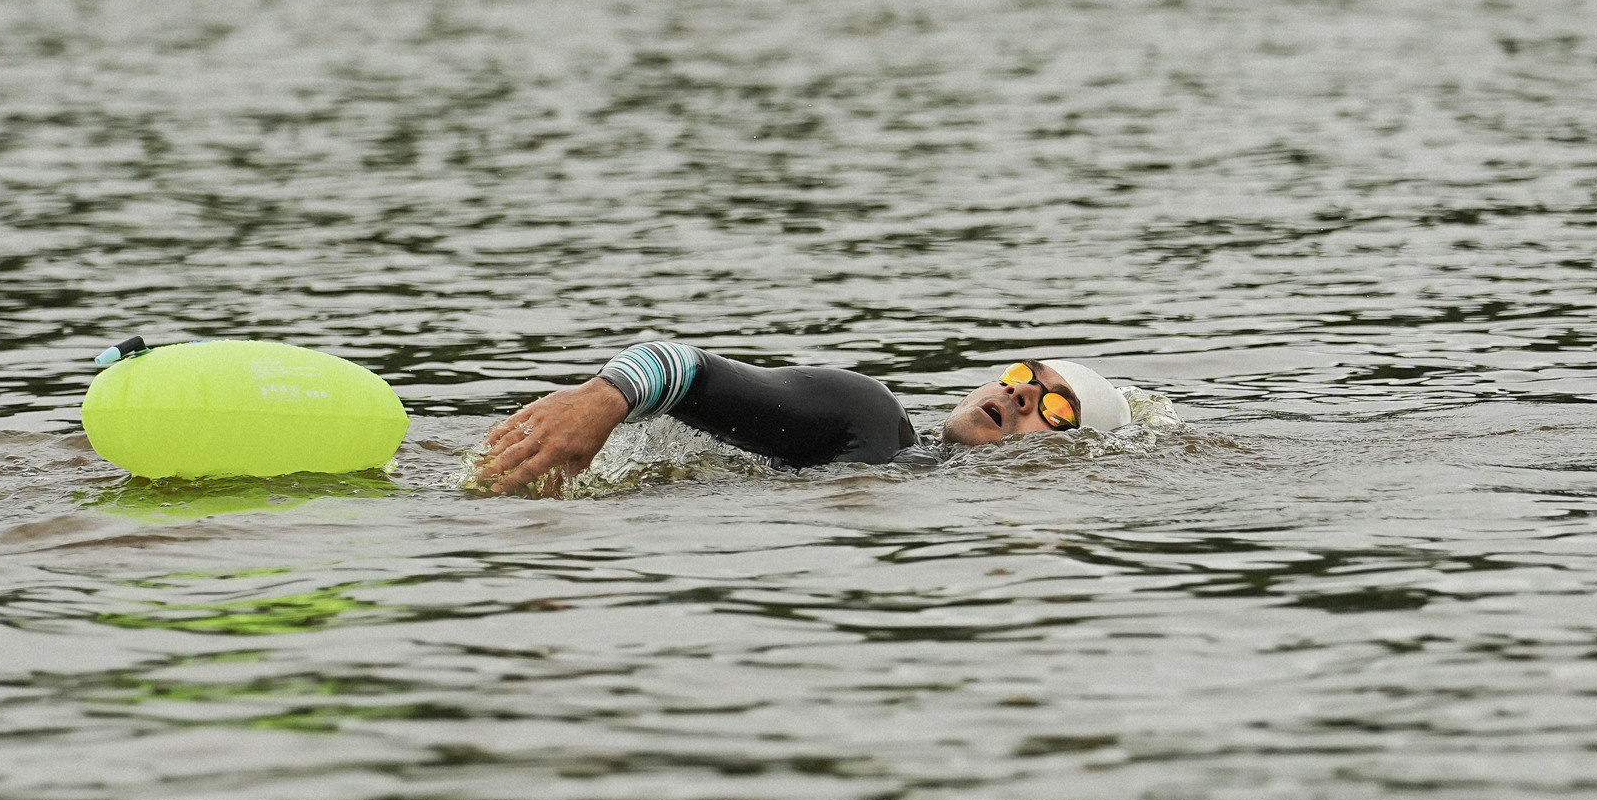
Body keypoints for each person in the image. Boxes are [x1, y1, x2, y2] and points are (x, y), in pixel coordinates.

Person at [470, 340, 1149, 496]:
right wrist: (600, 400)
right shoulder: (870, 420)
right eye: (1023, 377)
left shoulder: (895, 473)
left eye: (1056, 408)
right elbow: (683, 365)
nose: (1025, 395)